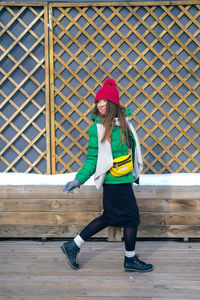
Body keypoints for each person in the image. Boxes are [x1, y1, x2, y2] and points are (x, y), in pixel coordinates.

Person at [60, 78, 154, 272]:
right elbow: (92, 159)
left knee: (110, 217)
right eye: (98, 101)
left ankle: (73, 245)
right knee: (132, 218)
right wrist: (78, 179)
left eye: (104, 100)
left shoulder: (125, 123)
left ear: (113, 103)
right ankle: (130, 259)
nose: (100, 104)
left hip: (124, 178)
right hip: (113, 182)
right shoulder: (96, 128)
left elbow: (131, 149)